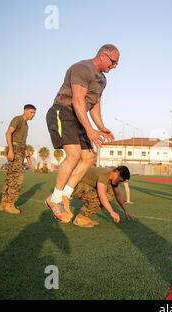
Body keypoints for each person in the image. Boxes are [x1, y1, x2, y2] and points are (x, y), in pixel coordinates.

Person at [45, 44, 119, 223]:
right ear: (102, 56)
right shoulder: (82, 68)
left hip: (79, 118)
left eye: (117, 64)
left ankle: (65, 196)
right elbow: (78, 101)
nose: (115, 66)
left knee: (89, 159)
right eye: (113, 62)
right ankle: (54, 199)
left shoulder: (102, 79)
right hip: (63, 112)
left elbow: (94, 104)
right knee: (74, 155)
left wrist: (100, 126)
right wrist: (89, 129)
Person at [0, 104, 36, 214]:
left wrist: (28, 158)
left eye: (34, 113)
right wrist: (10, 150)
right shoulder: (18, 119)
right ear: (25, 111)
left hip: (20, 150)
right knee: (17, 177)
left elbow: (23, 143)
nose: (33, 115)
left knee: (10, 177)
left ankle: (4, 203)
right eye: (31, 112)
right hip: (14, 149)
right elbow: (8, 133)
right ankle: (10, 204)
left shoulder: (26, 125)